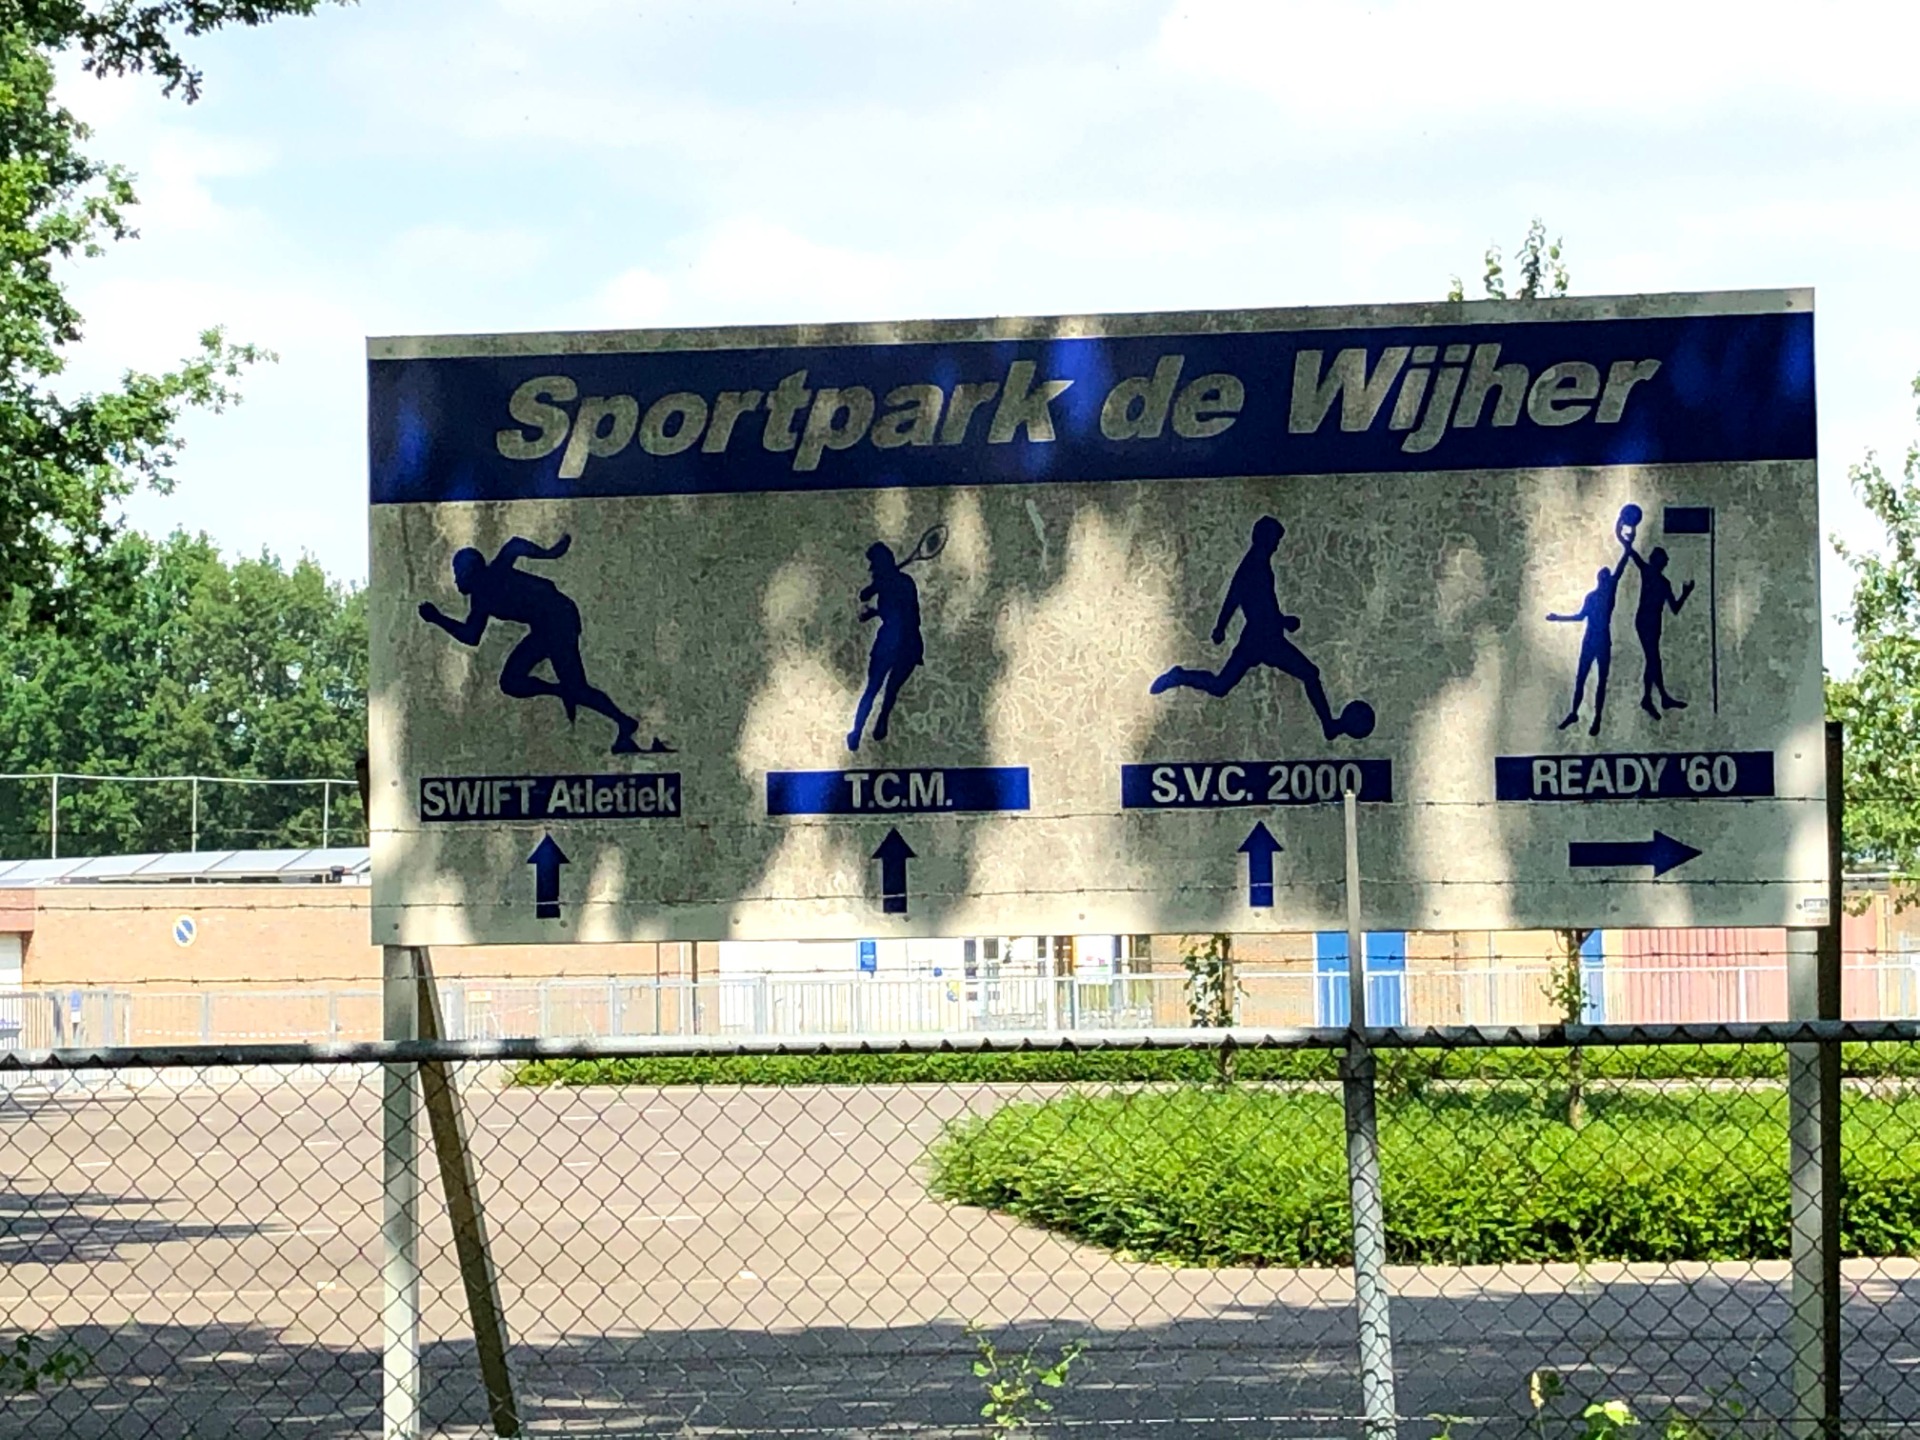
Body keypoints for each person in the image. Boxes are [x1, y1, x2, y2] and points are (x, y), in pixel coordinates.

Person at [418, 535, 664, 755]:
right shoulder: (481, 600)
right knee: (513, 681)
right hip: (546, 626)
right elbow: (471, 635)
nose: (456, 579)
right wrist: (437, 618)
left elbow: (514, 545)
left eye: (457, 572)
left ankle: (621, 721)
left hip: (559, 619)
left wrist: (551, 553)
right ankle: (585, 702)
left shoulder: (493, 575)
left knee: (572, 687)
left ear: (470, 571)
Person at [1150, 516, 1350, 740]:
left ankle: (1181, 676)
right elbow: (1235, 599)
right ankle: (1180, 676)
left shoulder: (1259, 564)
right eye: (1274, 541)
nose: (1276, 546)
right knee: (1307, 674)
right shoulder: (1252, 567)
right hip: (1261, 640)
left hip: (1264, 637)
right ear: (1262, 538)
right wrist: (1221, 627)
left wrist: (1281, 621)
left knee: (1222, 685)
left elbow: (1261, 607)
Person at [1548, 546, 1632, 737]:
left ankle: (1597, 718)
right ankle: (1574, 713)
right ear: (1599, 579)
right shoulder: (1592, 597)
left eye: (1606, 578)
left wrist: (1627, 549)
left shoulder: (1609, 593)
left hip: (1602, 640)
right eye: (1603, 578)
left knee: (1601, 681)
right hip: (1590, 640)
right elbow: (1580, 617)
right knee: (1581, 679)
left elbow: (1620, 569)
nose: (1605, 581)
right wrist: (1557, 617)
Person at [848, 541, 924, 752]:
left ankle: (860, 730)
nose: (870, 569)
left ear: (881, 564)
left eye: (873, 564)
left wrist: (876, 607)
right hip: (907, 643)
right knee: (887, 690)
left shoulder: (892, 583)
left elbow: (904, 615)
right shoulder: (894, 582)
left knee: (875, 689)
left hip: (895, 642)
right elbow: (867, 596)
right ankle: (873, 723)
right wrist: (876, 604)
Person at [1628, 545, 1695, 719]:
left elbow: (1675, 608)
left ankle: (1655, 698)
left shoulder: (1664, 583)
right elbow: (1631, 552)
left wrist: (1685, 593)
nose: (1667, 561)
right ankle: (1655, 697)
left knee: (1653, 660)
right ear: (1656, 560)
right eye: (1664, 558)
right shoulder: (1647, 572)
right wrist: (1624, 537)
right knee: (1653, 659)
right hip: (1644, 622)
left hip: (1654, 623)